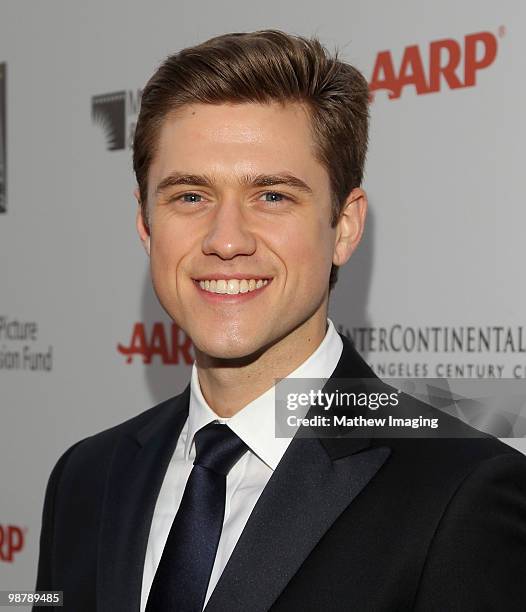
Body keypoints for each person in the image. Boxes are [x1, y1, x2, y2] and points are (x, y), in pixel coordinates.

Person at [34, 30, 526, 611]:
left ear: (344, 226)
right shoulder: (85, 477)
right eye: (190, 196)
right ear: (145, 225)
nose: (225, 240)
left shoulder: (462, 494)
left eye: (272, 197)